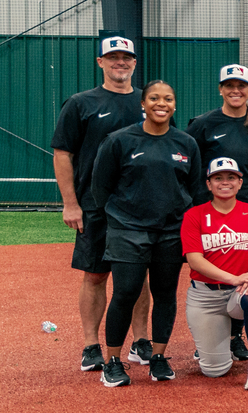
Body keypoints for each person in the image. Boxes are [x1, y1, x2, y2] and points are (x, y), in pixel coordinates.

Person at [91, 79, 203, 386]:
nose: (161, 103)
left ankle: (158, 357)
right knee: (125, 293)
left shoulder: (185, 143)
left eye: (167, 98)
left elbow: (195, 190)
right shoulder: (119, 141)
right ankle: (113, 361)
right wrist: (121, 217)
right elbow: (100, 188)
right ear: (143, 103)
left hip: (170, 232)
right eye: (154, 98)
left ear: (174, 105)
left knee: (165, 294)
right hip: (128, 231)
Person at [51, 35, 150, 373]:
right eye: (113, 57)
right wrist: (70, 203)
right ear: (100, 62)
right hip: (95, 206)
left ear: (135, 63)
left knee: (139, 276)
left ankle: (141, 341)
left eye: (126, 57)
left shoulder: (148, 101)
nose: (120, 62)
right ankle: (91, 345)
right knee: (95, 275)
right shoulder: (81, 103)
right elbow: (63, 154)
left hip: (140, 207)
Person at [181, 158, 248, 390]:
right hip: (205, 296)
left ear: (240, 183)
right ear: (209, 184)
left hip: (240, 290)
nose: (225, 182)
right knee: (215, 371)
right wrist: (233, 278)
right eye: (218, 178)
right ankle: (222, 344)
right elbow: (195, 260)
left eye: (231, 177)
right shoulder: (194, 215)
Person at [187, 64, 248, 218]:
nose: (236, 91)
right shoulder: (202, 124)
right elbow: (190, 166)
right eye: (229, 85)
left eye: (241, 85)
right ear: (220, 89)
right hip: (212, 207)